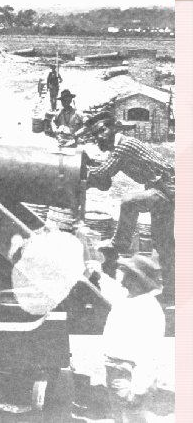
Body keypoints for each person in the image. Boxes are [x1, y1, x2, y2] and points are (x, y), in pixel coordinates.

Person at [84, 111, 175, 298]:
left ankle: (119, 244)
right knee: (163, 243)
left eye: (101, 131)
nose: (98, 137)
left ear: (112, 129)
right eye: (95, 135)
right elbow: (104, 177)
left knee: (129, 202)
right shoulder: (121, 147)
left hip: (168, 189)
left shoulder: (124, 147)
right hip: (164, 190)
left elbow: (102, 174)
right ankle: (172, 292)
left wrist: (81, 172)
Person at [84, 254, 165, 423]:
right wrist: (100, 274)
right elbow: (113, 291)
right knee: (119, 417)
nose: (121, 275)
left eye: (125, 272)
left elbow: (150, 355)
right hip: (116, 371)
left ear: (135, 279)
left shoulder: (148, 309)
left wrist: (138, 389)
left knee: (132, 417)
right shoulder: (129, 298)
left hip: (129, 375)